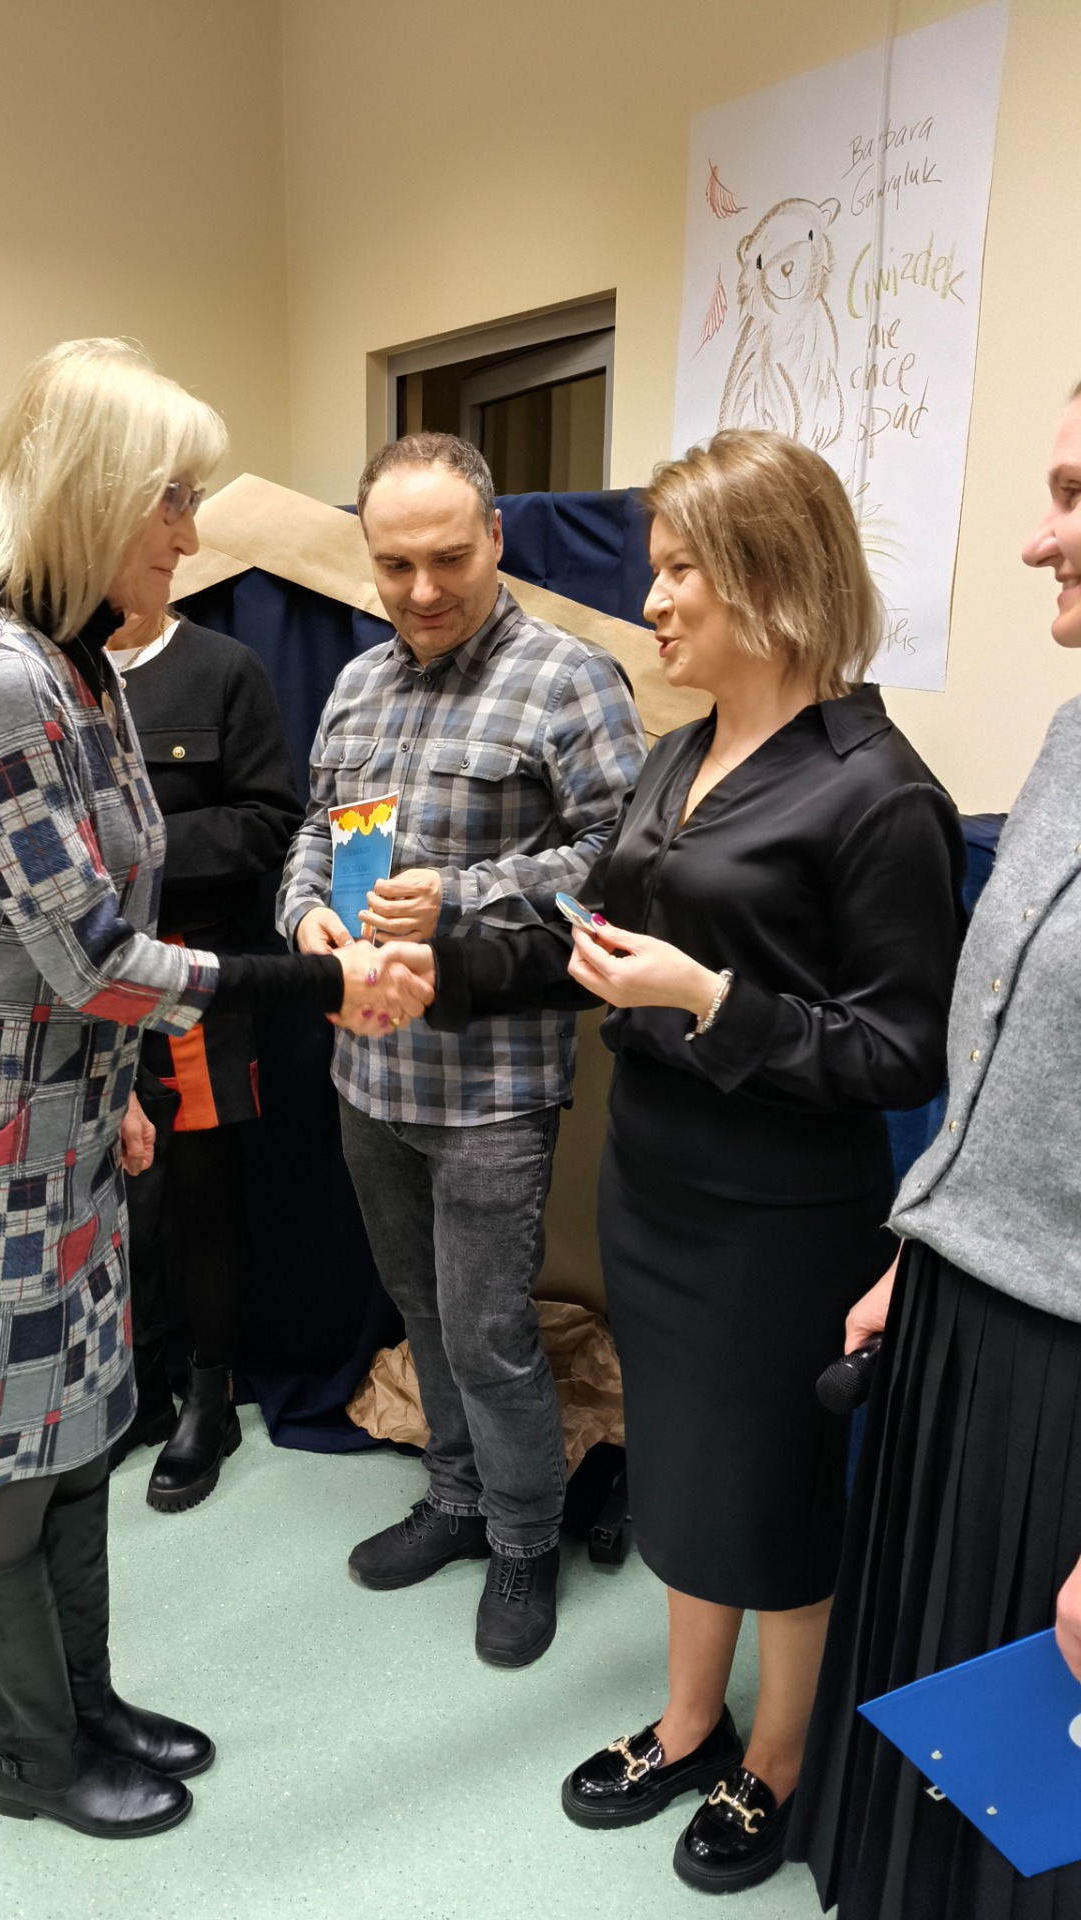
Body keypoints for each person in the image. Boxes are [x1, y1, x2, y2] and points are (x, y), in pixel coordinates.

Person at [0, 337, 428, 1841]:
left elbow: (96, 932)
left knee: (75, 1420)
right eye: (171, 497)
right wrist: (321, 984)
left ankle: (86, 1702)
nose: (189, 529)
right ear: (94, 496)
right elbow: (95, 953)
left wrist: (114, 1087)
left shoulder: (82, 665)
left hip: (62, 1099)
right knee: (5, 1450)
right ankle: (32, 1757)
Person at [386, 428, 965, 1890]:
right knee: (688, 1476)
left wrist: (713, 1000)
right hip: (654, 1183)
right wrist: (437, 962)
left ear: (770, 577)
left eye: (679, 571)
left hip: (780, 1217)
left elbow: (902, 1053)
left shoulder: (880, 793)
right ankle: (690, 1721)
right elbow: (585, 946)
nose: (651, 602)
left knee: (772, 1489)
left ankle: (780, 1756)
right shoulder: (677, 754)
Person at [277, 431, 647, 1670]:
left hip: (492, 1082)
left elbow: (623, 862)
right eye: (396, 565)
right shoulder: (354, 684)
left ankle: (526, 1538)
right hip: (367, 1069)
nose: (423, 589)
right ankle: (455, 1494)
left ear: (495, 538)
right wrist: (306, 916)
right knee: (420, 1309)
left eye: (448, 558)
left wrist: (466, 894)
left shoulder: (569, 681)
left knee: (490, 1327)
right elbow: (316, 833)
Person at [789, 387, 1081, 1918]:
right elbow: (1014, 1049)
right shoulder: (1076, 732)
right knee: (954, 1776)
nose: (1039, 539)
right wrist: (923, 1243)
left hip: (1069, 1385)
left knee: (1041, 1823)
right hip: (969, 1324)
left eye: (1075, 495)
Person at [100, 606, 303, 1510]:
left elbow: (269, 822)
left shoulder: (223, 668)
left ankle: (209, 1399)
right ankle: (139, 1384)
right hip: (72, 972)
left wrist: (127, 854)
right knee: (106, 1195)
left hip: (189, 969)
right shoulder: (41, 671)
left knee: (202, 1191)